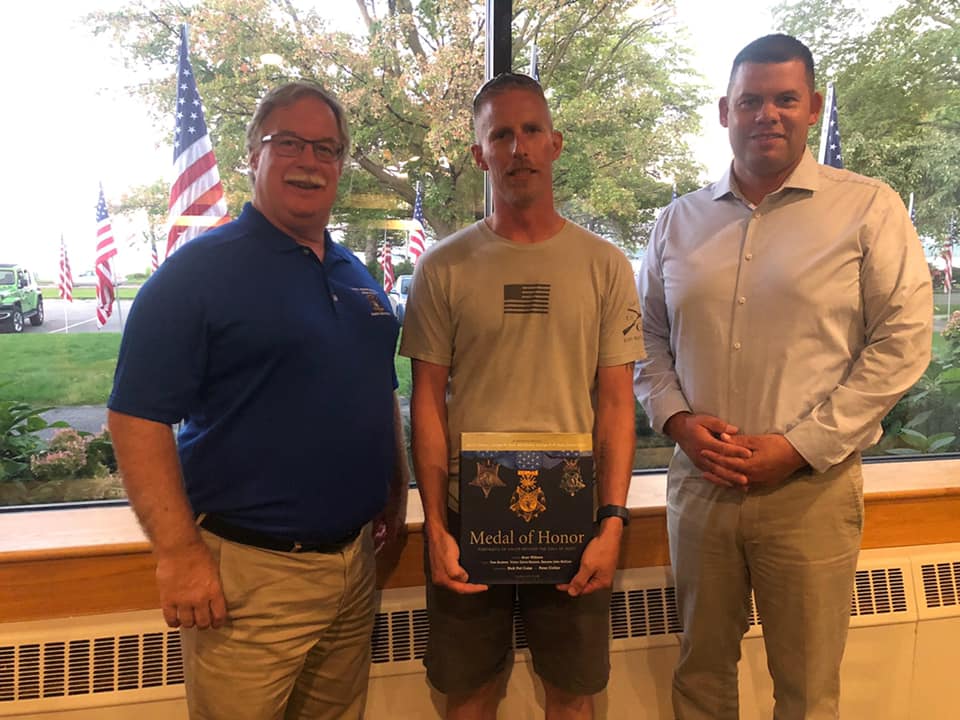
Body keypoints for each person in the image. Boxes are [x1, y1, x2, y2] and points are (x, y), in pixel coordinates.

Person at [634, 34, 933, 720]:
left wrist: (798, 447)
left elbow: (902, 342)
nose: (766, 114)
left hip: (810, 493)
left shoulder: (868, 209)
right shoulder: (677, 222)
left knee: (806, 691)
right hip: (701, 486)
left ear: (813, 107)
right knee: (700, 677)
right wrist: (678, 421)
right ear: (725, 111)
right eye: (750, 101)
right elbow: (643, 336)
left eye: (785, 99)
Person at [107, 81, 408, 720]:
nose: (309, 162)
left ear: (341, 164)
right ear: (253, 155)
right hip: (248, 579)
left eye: (326, 148)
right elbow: (136, 416)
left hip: (354, 566)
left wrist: (393, 491)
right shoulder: (198, 273)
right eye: (289, 143)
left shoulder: (356, 276)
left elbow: (377, 387)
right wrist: (178, 553)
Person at [400, 72, 644, 719]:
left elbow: (617, 405)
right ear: (480, 154)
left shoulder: (605, 265)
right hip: (467, 516)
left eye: (532, 130)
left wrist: (612, 522)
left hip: (574, 517)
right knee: (467, 695)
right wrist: (435, 527)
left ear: (555, 143)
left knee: (572, 695)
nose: (519, 148)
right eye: (501, 135)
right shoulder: (442, 268)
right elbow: (427, 403)